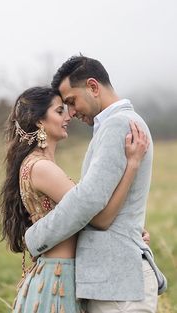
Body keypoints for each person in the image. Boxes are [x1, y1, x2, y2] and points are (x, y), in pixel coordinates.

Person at [24, 56, 167, 313]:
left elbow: (88, 201)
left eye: (71, 102)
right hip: (112, 282)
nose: (72, 112)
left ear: (92, 87)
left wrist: (35, 237)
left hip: (119, 285)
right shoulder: (111, 126)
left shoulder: (118, 124)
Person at [0, 86, 150, 313]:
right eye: (60, 111)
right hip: (59, 279)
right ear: (39, 121)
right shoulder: (42, 168)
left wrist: (129, 235)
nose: (68, 116)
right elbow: (98, 216)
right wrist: (132, 166)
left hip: (57, 273)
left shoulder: (36, 164)